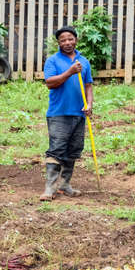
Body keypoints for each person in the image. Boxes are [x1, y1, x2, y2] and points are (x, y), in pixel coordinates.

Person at [40, 26, 94, 201]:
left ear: (75, 40)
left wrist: (89, 104)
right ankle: (49, 188)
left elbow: (88, 86)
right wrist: (70, 72)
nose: (67, 42)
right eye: (63, 40)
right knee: (56, 149)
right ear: (59, 43)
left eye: (70, 39)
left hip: (79, 113)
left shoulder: (84, 61)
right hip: (59, 112)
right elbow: (50, 83)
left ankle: (64, 185)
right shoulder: (53, 61)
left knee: (73, 150)